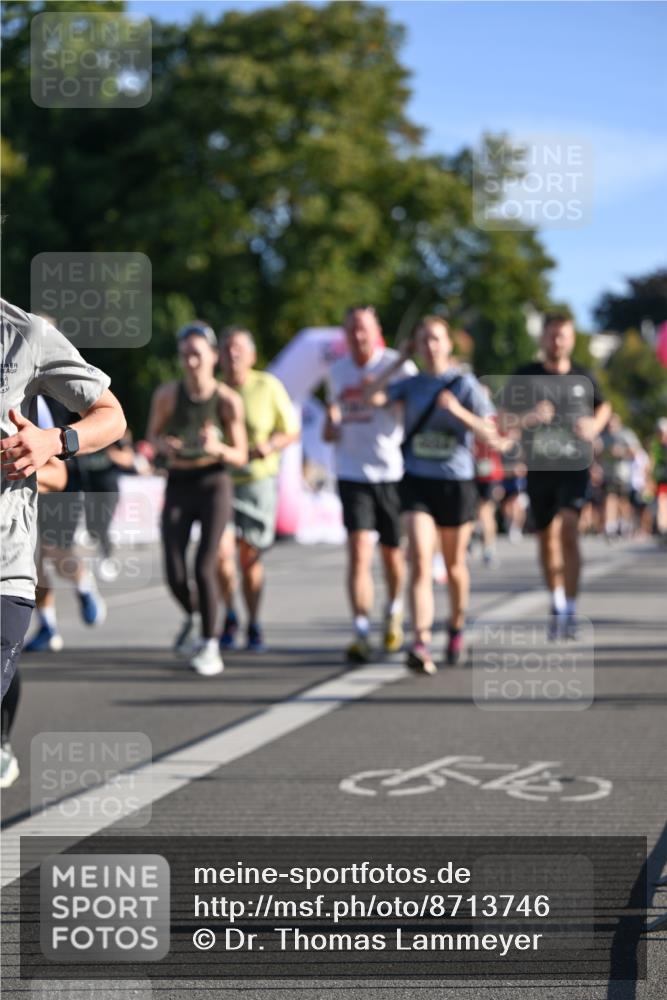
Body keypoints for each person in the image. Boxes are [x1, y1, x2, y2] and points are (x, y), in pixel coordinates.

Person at [0, 298, 125, 780]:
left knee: (55, 553)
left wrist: (53, 442)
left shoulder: (26, 336)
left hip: (7, 561)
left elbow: (111, 416)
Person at [364, 315, 507, 673]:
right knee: (420, 561)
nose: (430, 346)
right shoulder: (410, 384)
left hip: (456, 483)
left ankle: (456, 627)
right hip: (417, 480)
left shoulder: (464, 384)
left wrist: (457, 411)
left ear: (448, 344)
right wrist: (398, 360)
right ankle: (421, 642)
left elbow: (492, 434)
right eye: (423, 340)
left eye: (436, 339)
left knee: (455, 566)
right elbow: (371, 397)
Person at [499, 312, 611, 638]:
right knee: (547, 538)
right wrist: (529, 417)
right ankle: (557, 601)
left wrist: (594, 425)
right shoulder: (526, 375)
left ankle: (571, 608)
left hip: (574, 466)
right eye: (552, 335)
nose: (557, 341)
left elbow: (604, 407)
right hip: (539, 468)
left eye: (563, 335)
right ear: (543, 338)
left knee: (570, 530)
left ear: (572, 340)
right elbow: (503, 419)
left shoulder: (583, 376)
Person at [146, 320, 247, 676]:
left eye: (197, 355)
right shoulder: (167, 395)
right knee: (173, 569)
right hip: (179, 481)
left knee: (205, 563)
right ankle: (193, 615)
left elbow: (241, 454)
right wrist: (163, 446)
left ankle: (210, 644)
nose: (191, 362)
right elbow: (151, 438)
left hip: (213, 482)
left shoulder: (228, 400)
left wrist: (218, 447)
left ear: (214, 356)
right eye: (185, 355)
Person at [324, 306, 416, 664]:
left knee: (392, 555)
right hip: (351, 471)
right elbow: (334, 421)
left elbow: (413, 408)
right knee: (359, 550)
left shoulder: (398, 365)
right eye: (351, 330)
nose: (358, 336)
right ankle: (360, 630)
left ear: (376, 330)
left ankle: (393, 609)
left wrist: (383, 396)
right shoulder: (337, 372)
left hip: (391, 472)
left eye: (363, 329)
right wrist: (330, 426)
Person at [217, 326, 300, 651]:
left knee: (249, 556)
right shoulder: (215, 389)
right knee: (221, 553)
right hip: (222, 481)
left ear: (252, 355)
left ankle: (253, 621)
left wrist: (270, 445)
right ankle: (229, 615)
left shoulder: (267, 385)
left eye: (238, 348)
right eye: (226, 348)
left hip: (257, 482)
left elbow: (290, 430)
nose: (232, 354)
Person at [22, 396, 110, 652]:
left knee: (54, 552)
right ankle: (47, 626)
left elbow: (97, 423)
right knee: (32, 563)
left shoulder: (45, 396)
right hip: (25, 490)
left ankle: (83, 583)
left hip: (62, 485)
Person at [649, 417, 667, 543]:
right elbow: (652, 462)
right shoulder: (656, 445)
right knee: (661, 503)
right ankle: (663, 530)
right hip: (662, 479)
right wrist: (649, 478)